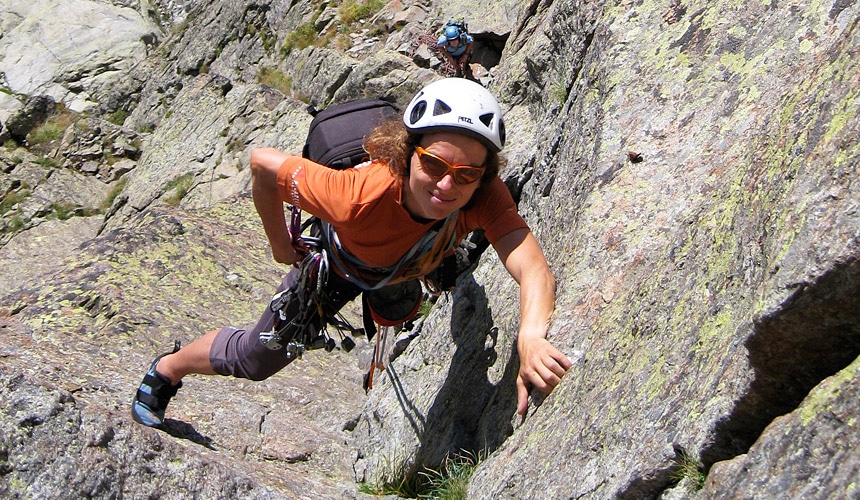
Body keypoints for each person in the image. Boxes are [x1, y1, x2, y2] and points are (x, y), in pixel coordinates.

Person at [131, 78, 572, 429]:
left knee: (399, 306)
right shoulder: (355, 196)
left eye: (466, 174)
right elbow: (262, 163)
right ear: (408, 152)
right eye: (434, 164)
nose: (446, 185)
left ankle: (403, 288)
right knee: (255, 359)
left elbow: (533, 268)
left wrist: (531, 336)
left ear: (482, 175)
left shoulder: (484, 194)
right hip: (338, 266)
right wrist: (280, 244)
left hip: (407, 262)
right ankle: (169, 367)